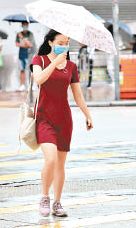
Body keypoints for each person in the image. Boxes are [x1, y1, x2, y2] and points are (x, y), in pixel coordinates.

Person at [30, 29, 94, 217]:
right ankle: (44, 197)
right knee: (50, 159)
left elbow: (78, 94)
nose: (64, 46)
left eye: (66, 42)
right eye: (60, 42)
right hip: (43, 117)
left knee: (60, 164)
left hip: (64, 118)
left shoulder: (72, 66)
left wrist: (88, 115)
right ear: (50, 42)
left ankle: (57, 202)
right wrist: (55, 63)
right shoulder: (39, 60)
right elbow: (38, 80)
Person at [15, 21, 35, 91]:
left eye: (26, 25)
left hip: (29, 54)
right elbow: (17, 44)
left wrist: (22, 37)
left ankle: (31, 85)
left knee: (30, 70)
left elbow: (30, 45)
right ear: (22, 25)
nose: (25, 26)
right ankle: (22, 85)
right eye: (24, 25)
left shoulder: (30, 34)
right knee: (22, 69)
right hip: (21, 54)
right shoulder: (18, 34)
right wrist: (25, 45)